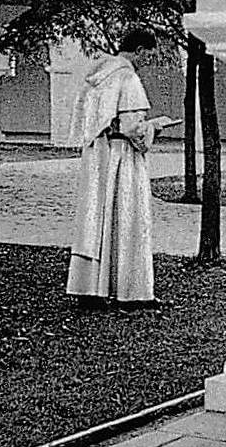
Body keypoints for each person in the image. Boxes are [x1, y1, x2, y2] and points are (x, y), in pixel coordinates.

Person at [65, 27, 173, 306]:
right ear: (139, 50)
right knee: (127, 217)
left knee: (96, 219)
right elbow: (132, 128)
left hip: (98, 156)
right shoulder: (127, 77)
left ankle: (91, 287)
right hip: (122, 157)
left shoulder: (97, 76)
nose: (148, 60)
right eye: (149, 55)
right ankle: (131, 291)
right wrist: (154, 127)